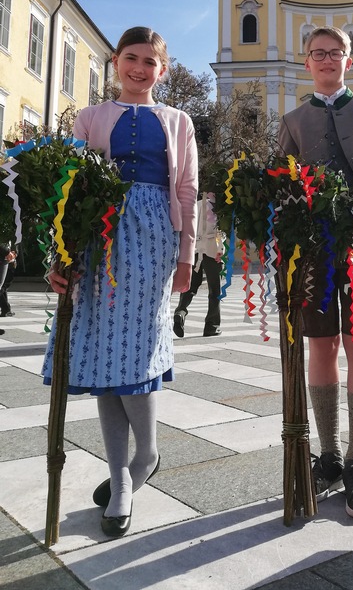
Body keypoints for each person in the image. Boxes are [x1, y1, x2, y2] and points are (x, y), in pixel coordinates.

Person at [42, 26, 198, 538]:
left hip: (153, 237)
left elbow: (187, 190)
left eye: (150, 62)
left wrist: (185, 258)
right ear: (115, 62)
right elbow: (69, 189)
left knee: (138, 347)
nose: (139, 69)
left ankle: (147, 452)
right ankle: (121, 476)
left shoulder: (178, 121)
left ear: (163, 69)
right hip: (97, 238)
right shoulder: (90, 118)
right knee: (103, 353)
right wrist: (59, 254)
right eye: (131, 59)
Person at [278, 26, 353, 520]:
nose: (327, 60)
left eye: (336, 53)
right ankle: (327, 454)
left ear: (350, 60)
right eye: (318, 53)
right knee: (320, 345)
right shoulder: (293, 118)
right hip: (313, 247)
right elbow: (280, 175)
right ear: (307, 62)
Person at [173, 192, 224, 337]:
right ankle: (211, 326)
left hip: (194, 250)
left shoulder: (195, 204)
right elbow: (219, 230)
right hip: (212, 250)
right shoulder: (216, 206)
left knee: (190, 287)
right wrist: (221, 249)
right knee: (215, 291)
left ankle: (180, 312)